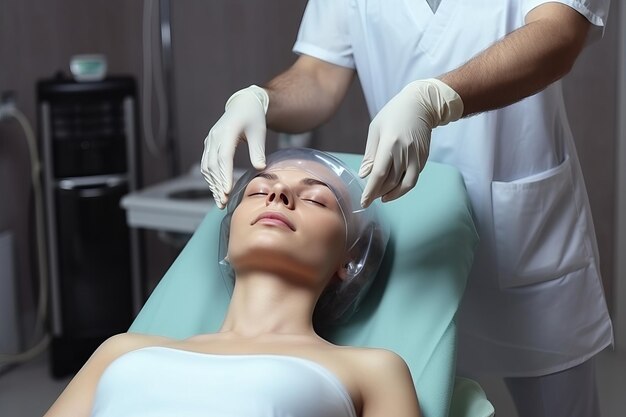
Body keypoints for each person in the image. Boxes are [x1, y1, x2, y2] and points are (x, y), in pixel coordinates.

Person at [200, 1, 613, 416]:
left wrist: (436, 98)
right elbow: (318, 78)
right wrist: (258, 100)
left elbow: (558, 35)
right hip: (414, 241)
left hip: (524, 243)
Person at [44, 148, 421, 417]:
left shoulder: (372, 371)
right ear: (228, 237)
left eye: (317, 200)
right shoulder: (121, 350)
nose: (278, 194)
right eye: (258, 191)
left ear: (348, 261)